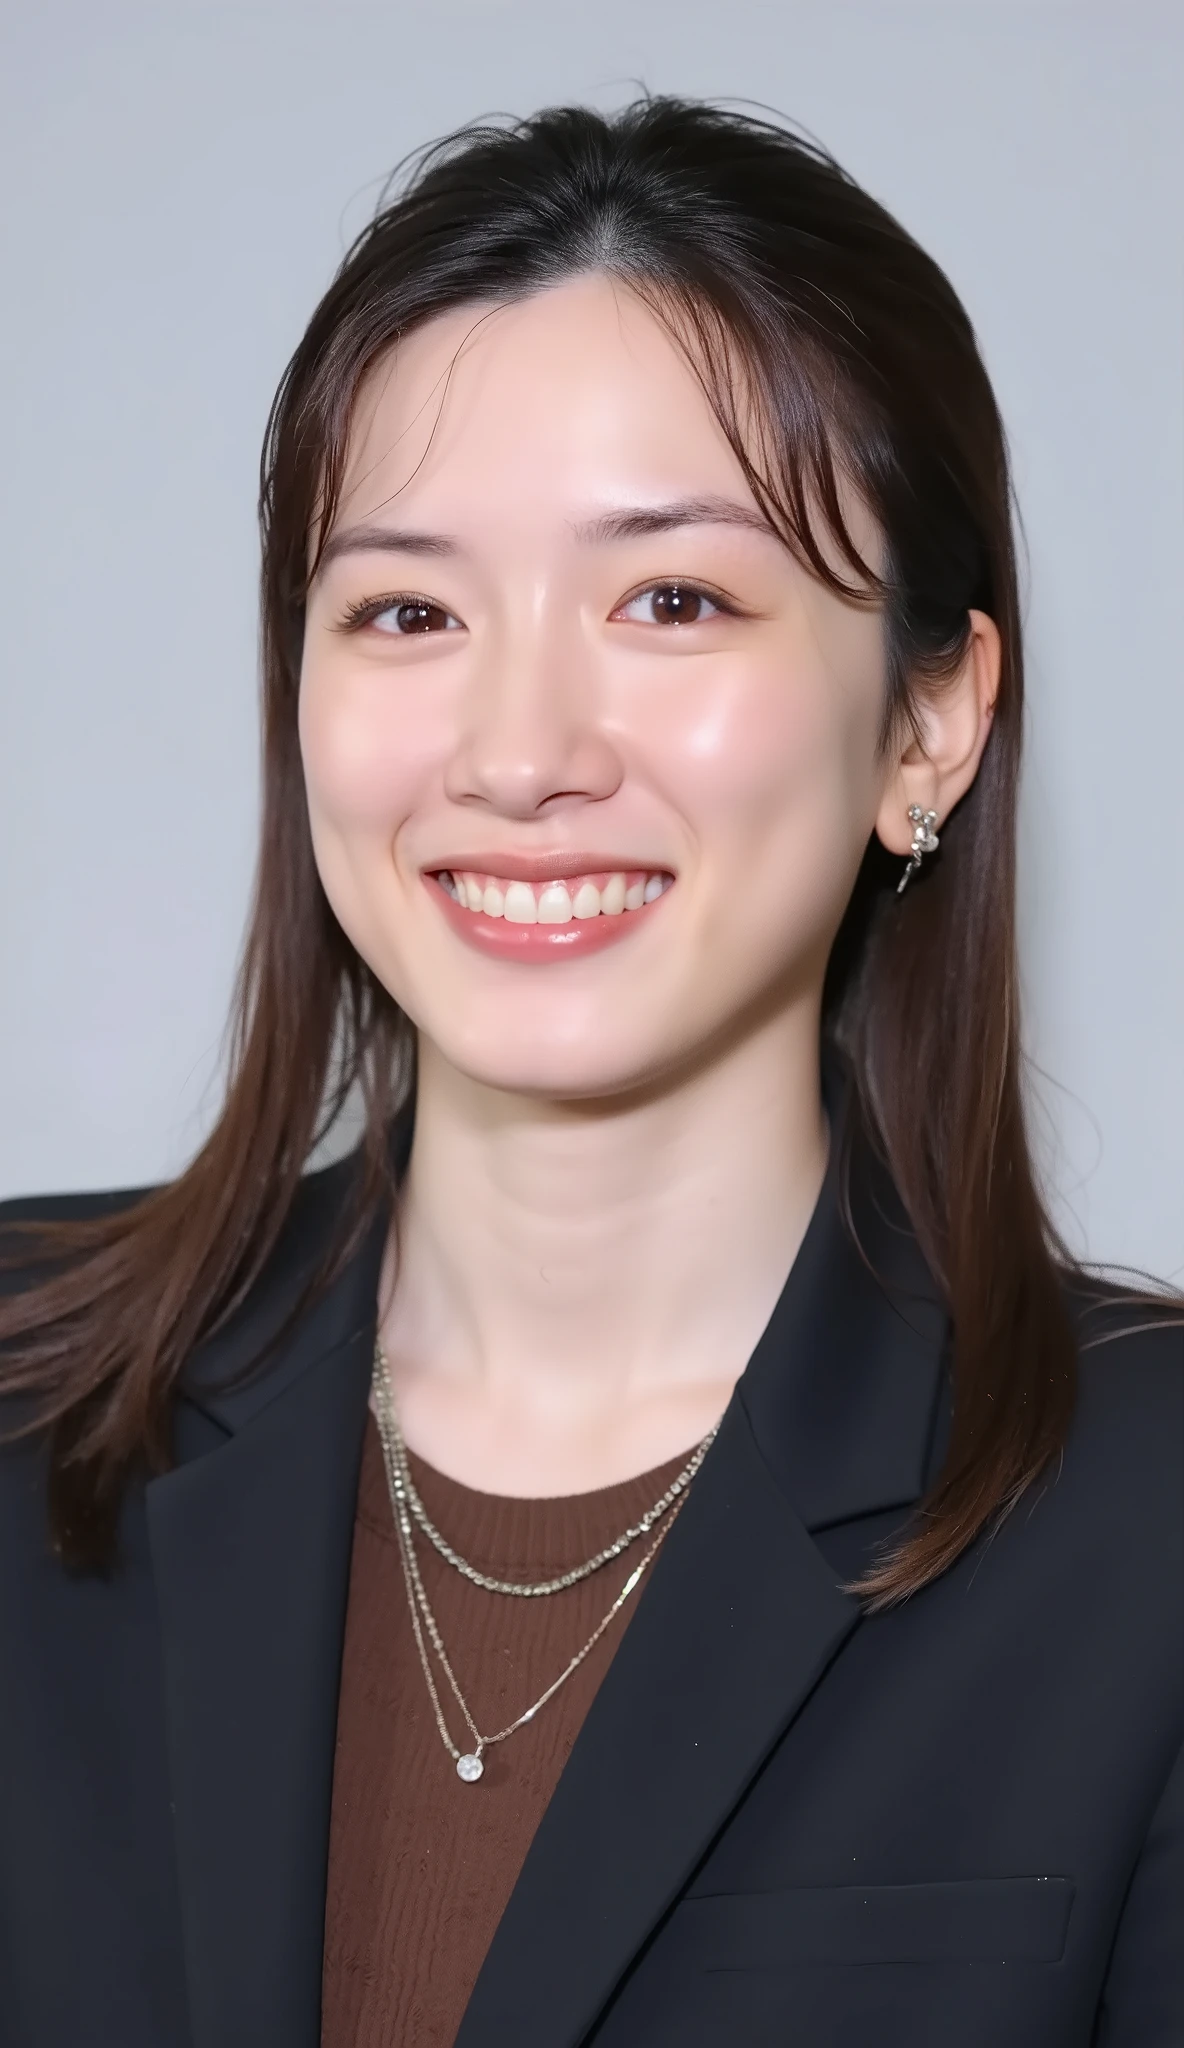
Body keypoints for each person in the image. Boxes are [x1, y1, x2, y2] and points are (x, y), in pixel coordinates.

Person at [0, 94, 1180, 2048]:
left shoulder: (1139, 1529)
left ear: (933, 718)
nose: (517, 744)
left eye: (672, 600)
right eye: (404, 609)